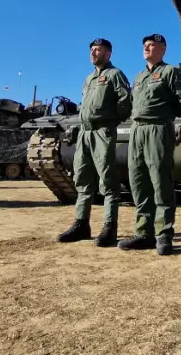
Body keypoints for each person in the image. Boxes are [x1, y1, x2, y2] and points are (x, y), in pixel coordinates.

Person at [118, 33, 181, 256]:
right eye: (145, 45)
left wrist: (167, 115)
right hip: (137, 130)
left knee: (160, 181)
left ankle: (164, 234)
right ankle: (144, 233)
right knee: (138, 180)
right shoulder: (140, 76)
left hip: (158, 129)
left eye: (152, 45)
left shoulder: (169, 72)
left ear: (163, 49)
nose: (147, 48)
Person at [57, 38, 132, 247]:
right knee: (83, 179)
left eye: (97, 50)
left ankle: (109, 227)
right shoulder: (89, 78)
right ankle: (81, 223)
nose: (93, 53)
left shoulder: (114, 75)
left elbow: (125, 102)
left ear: (108, 54)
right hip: (85, 133)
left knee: (107, 180)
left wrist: (111, 120)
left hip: (102, 132)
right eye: (91, 49)